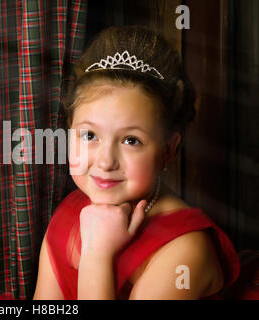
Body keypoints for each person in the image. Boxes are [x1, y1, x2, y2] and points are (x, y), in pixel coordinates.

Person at [33, 26, 240, 300]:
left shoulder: (185, 251)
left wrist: (97, 255)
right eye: (90, 135)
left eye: (131, 140)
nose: (106, 161)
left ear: (168, 149)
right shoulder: (71, 211)